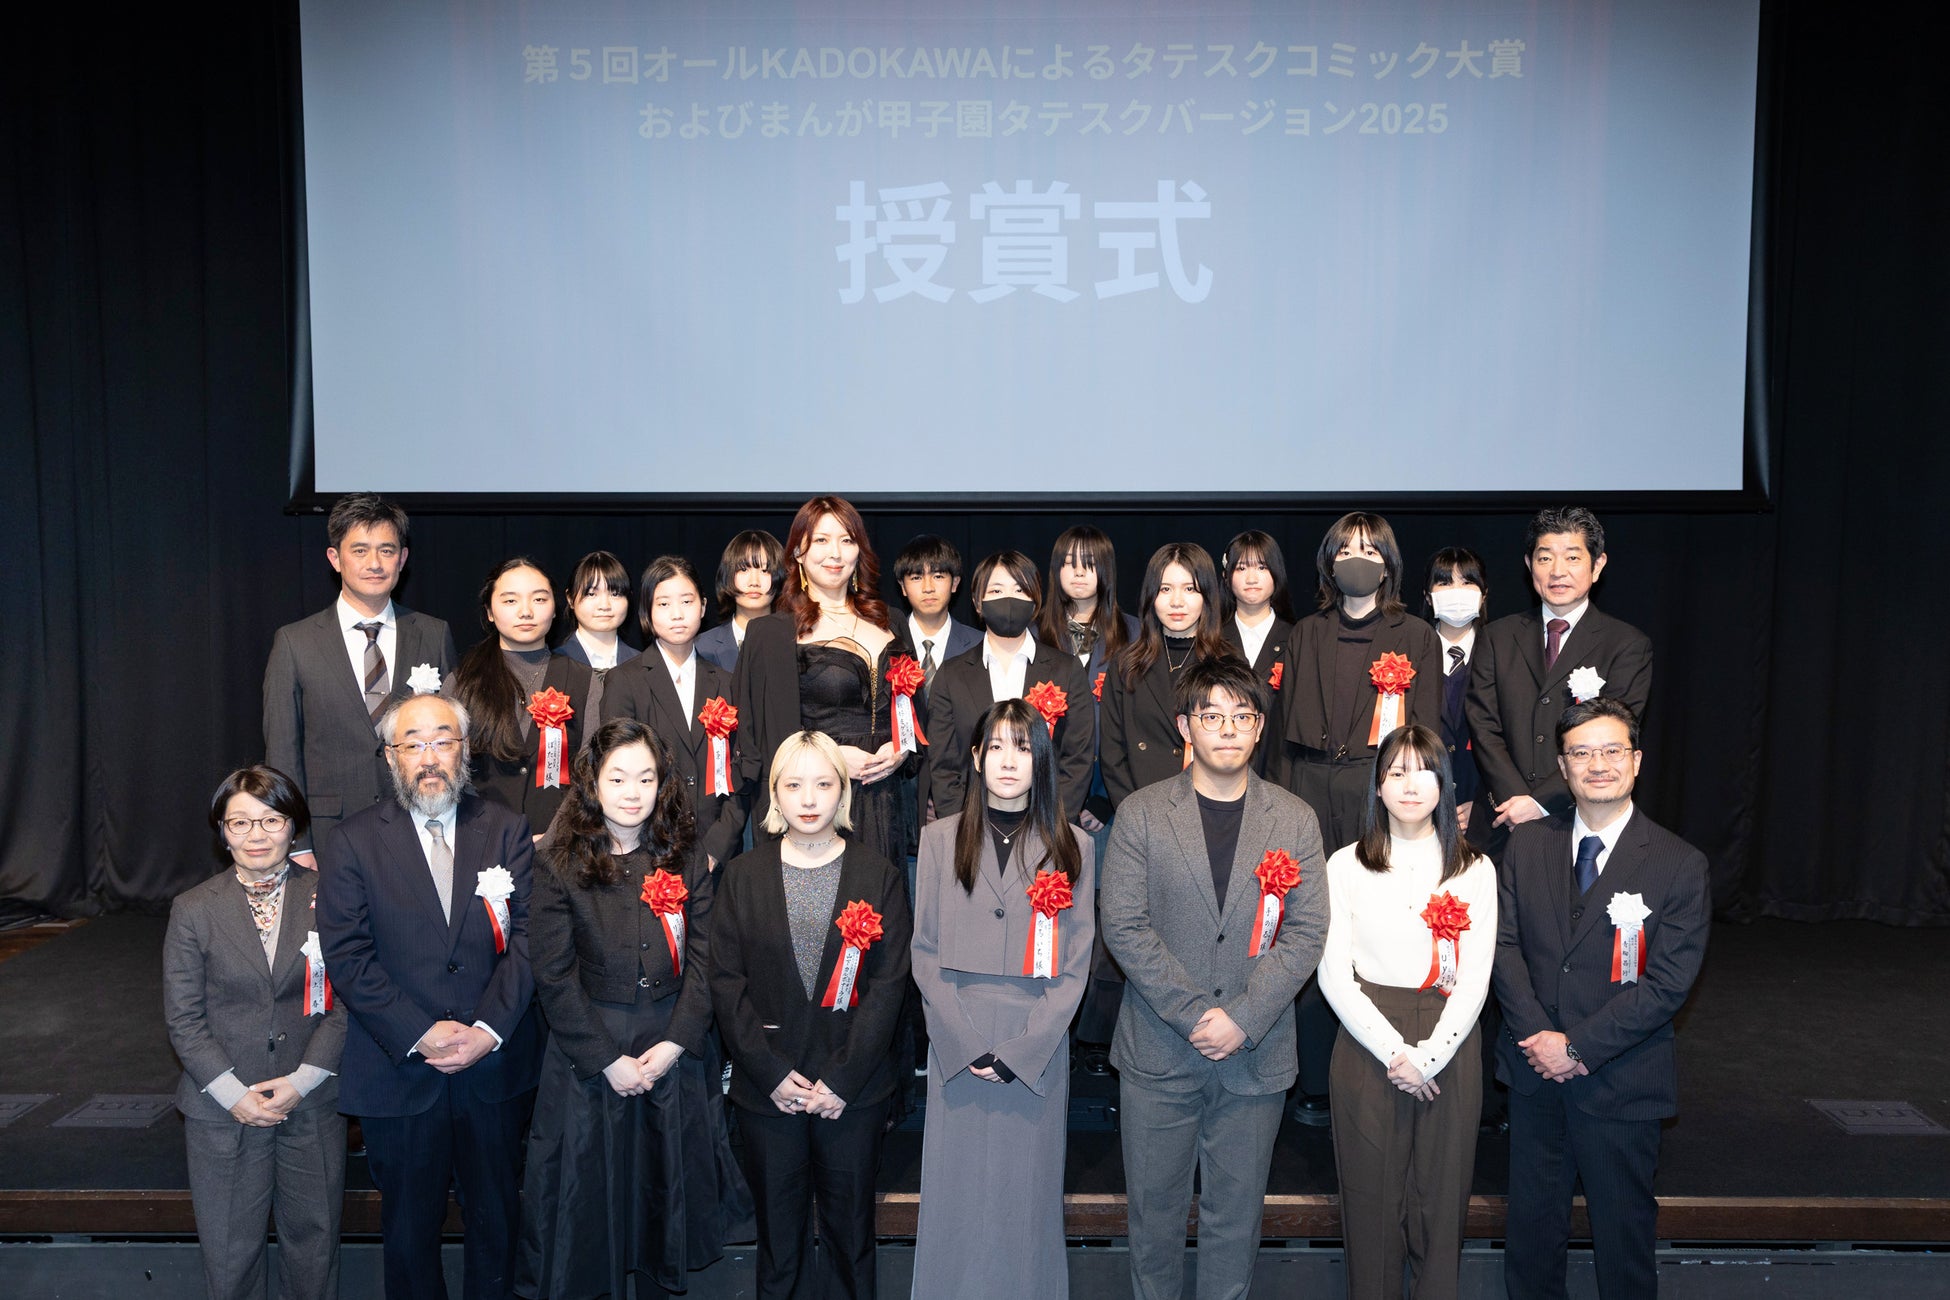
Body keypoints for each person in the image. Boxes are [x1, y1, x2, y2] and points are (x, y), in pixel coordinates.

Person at [1100, 657, 1328, 1300]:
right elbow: (1124, 926)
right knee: (1154, 1225)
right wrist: (1196, 1014)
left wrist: (1243, 1019)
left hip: (1255, 1058)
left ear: (1259, 728)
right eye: (1212, 716)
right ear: (1186, 727)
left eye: (1242, 716)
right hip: (1158, 1052)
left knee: (1236, 1225)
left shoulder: (1294, 819)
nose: (1228, 729)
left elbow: (1307, 932)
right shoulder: (1143, 814)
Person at [315, 693, 544, 1300]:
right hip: (398, 1073)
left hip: (492, 1068)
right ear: (392, 757)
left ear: (464, 750)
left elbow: (531, 937)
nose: (429, 757)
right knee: (409, 1237)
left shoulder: (506, 829)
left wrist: (486, 1030)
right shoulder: (353, 840)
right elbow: (347, 954)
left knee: (497, 1225)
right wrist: (420, 1032)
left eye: (443, 740)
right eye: (412, 744)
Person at [518, 719, 753, 1297]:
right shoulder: (557, 860)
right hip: (590, 1054)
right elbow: (553, 973)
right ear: (592, 783)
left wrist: (675, 1043)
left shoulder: (686, 854)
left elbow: (707, 960)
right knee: (589, 1214)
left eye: (645, 778)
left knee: (661, 1210)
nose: (632, 792)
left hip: (671, 1047)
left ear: (662, 783)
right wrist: (605, 1059)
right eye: (617, 778)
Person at [1493, 699, 1708, 1300]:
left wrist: (1578, 1047)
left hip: (1622, 1080)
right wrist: (1540, 1040)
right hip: (1534, 1076)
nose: (1598, 765)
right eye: (1581, 753)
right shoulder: (1527, 845)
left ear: (1636, 761)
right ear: (1563, 767)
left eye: (1612, 750)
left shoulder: (1679, 863)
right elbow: (1502, 946)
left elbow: (1668, 984)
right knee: (1531, 1239)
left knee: (1624, 1242)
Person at [709, 732, 913, 1300]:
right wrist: (770, 1074)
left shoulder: (877, 875)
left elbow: (889, 986)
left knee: (851, 1245)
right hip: (768, 1094)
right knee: (779, 1250)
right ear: (774, 793)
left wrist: (843, 1080)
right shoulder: (743, 877)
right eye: (793, 784)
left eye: (823, 784)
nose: (808, 798)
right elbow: (725, 984)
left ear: (843, 793)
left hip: (853, 1094)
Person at [910, 699, 1094, 1297]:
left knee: (1026, 1208)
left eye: (1022, 748)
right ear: (975, 758)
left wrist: (1021, 1051)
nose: (1008, 761)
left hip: (1034, 1049)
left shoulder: (1074, 847)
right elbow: (924, 951)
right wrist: (964, 1043)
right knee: (954, 1204)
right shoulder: (938, 841)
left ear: (1041, 760)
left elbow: (1075, 965)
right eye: (995, 747)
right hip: (956, 1042)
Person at [1317, 725, 1497, 1300]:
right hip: (1367, 1040)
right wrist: (1396, 1053)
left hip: (1450, 1042)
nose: (1410, 785)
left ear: (1444, 783)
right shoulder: (1345, 865)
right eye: (1396, 772)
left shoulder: (1475, 868)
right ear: (1378, 785)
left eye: (1423, 772)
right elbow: (1333, 975)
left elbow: (1475, 978)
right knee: (1370, 1204)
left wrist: (1429, 1057)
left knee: (1440, 1205)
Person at [1276, 513, 1442, 1127]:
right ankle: (1311, 1076)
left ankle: (1379, 1060)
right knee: (1309, 926)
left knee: (1372, 924)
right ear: (1328, 561)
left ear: (1389, 564)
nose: (1357, 559)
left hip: (1378, 791)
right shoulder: (1306, 633)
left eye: (1371, 551)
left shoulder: (1415, 634)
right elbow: (1284, 734)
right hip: (1309, 788)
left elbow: (1425, 738)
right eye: (1345, 549)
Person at [164, 766, 347, 1300]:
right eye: (240, 822)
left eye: (271, 820)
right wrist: (233, 1095)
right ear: (222, 832)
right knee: (230, 1255)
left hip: (311, 1101)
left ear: (294, 826)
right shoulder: (194, 909)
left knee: (314, 1250)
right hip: (223, 1109)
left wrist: (303, 1081)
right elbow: (184, 1018)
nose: (256, 835)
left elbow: (350, 1003)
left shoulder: (333, 897)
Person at [263, 492, 456, 862]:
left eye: (386, 550)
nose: (375, 563)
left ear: (402, 558)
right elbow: (283, 753)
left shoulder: (433, 634)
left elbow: (453, 740)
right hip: (329, 832)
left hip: (420, 823)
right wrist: (298, 843)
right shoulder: (294, 642)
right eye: (360, 550)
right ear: (335, 558)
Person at [734, 495, 918, 865]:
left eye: (847, 540)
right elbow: (757, 738)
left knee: (883, 895)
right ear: (798, 552)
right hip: (816, 803)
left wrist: (903, 749)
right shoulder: (770, 633)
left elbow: (914, 713)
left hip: (887, 802)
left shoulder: (892, 620)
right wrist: (826, 760)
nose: (835, 553)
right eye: (821, 540)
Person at [1466, 508, 1654, 856]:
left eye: (1572, 557)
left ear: (1597, 566)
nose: (1557, 570)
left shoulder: (1627, 645)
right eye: (1545, 557)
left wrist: (1540, 803)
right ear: (1529, 565)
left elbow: (1616, 735)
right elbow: (1483, 726)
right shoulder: (1497, 637)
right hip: (1501, 820)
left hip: (1581, 818)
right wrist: (1516, 800)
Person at [1042, 526, 1140, 1072]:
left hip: (1110, 804)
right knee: (1050, 913)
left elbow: (1133, 726)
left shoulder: (1133, 634)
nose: (1078, 574)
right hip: (1045, 802)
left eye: (1089, 563)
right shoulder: (1035, 633)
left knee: (1106, 924)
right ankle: (1048, 1026)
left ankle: (1098, 1038)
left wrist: (1102, 800)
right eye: (1068, 563)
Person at [926, 550, 1094, 823]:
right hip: (970, 824)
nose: (1008, 599)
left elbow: (1077, 758)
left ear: (1035, 600)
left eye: (1019, 590)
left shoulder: (1067, 669)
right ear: (977, 602)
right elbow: (944, 765)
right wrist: (962, 828)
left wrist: (1050, 825)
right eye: (996, 590)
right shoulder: (951, 674)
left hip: (1046, 823)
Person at [602, 556, 747, 869]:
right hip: (648, 850)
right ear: (647, 612)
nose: (677, 614)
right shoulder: (624, 681)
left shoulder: (726, 683)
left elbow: (742, 770)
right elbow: (616, 772)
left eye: (687, 601)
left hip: (717, 853)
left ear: (703, 607)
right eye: (664, 604)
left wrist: (717, 847)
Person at [448, 557, 594, 838]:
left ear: (555, 609)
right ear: (490, 612)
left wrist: (556, 834)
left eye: (539, 599)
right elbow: (448, 765)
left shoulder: (585, 680)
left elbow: (593, 770)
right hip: (480, 837)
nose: (526, 611)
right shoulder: (461, 682)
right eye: (510, 601)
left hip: (562, 843)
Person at [1100, 542, 1237, 807]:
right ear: (1151, 596)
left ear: (1207, 595)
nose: (1177, 601)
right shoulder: (1126, 664)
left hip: (1211, 804)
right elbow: (1112, 753)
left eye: (1189, 589)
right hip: (1142, 806)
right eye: (1165, 589)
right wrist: (1134, 813)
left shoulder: (1229, 662)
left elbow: (1238, 746)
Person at [892, 533, 981, 849]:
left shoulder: (981, 646)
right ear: (902, 586)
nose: (928, 587)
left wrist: (947, 797)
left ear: (955, 583)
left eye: (939, 576)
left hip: (966, 798)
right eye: (917, 577)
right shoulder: (884, 642)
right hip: (897, 796)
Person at [1219, 530, 1297, 778]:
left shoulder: (1298, 639)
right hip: (1222, 770)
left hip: (1281, 771)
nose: (1251, 578)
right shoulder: (1211, 640)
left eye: (1262, 567)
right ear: (1226, 576)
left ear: (1277, 574)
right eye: (1241, 568)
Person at [1425, 547, 1488, 838]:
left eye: (1467, 582)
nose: (1456, 591)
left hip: (1483, 815)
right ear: (1428, 596)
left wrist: (1486, 803)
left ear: (1483, 594)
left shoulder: (1503, 652)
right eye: (1445, 582)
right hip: (1417, 809)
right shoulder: (1407, 653)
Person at [554, 550, 641, 725]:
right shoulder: (553, 664)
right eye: (591, 594)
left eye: (615, 594)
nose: (604, 605)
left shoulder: (643, 665)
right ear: (570, 598)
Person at [696, 529, 785, 674]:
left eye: (765, 570)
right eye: (743, 570)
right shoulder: (702, 647)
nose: (754, 582)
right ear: (728, 575)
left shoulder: (796, 642)